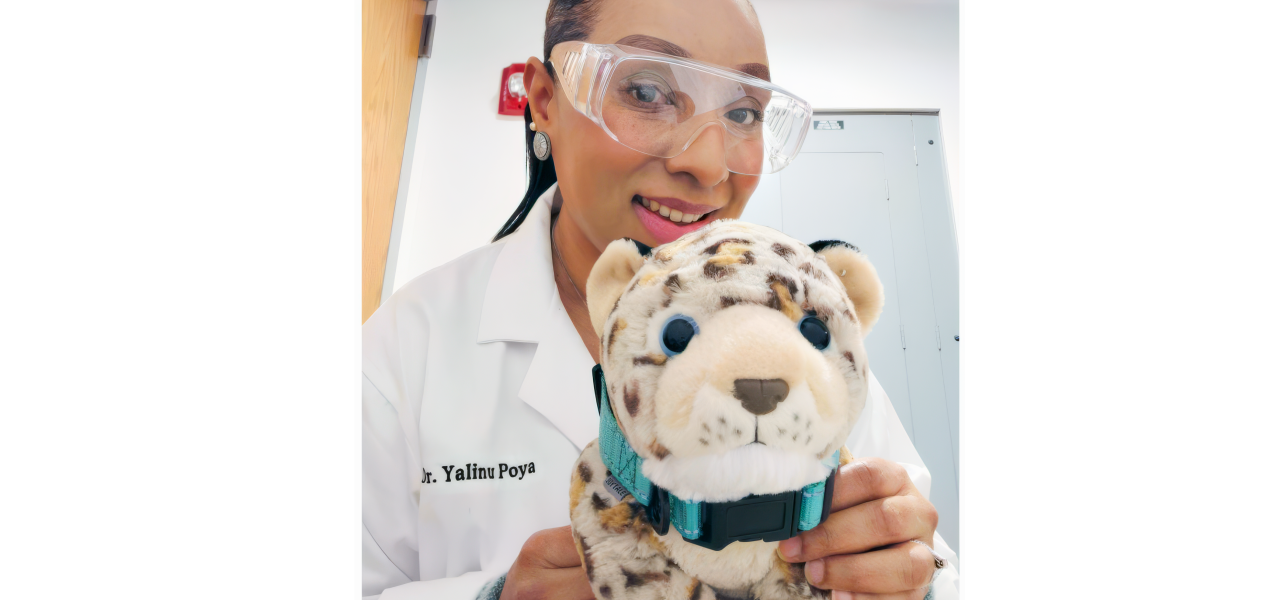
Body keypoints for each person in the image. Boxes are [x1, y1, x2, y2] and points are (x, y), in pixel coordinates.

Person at [362, 1, 961, 598]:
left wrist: (912, 576)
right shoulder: (406, 347)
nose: (707, 164)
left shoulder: (804, 334)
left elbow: (926, 560)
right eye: (648, 91)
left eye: (744, 111)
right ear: (544, 100)